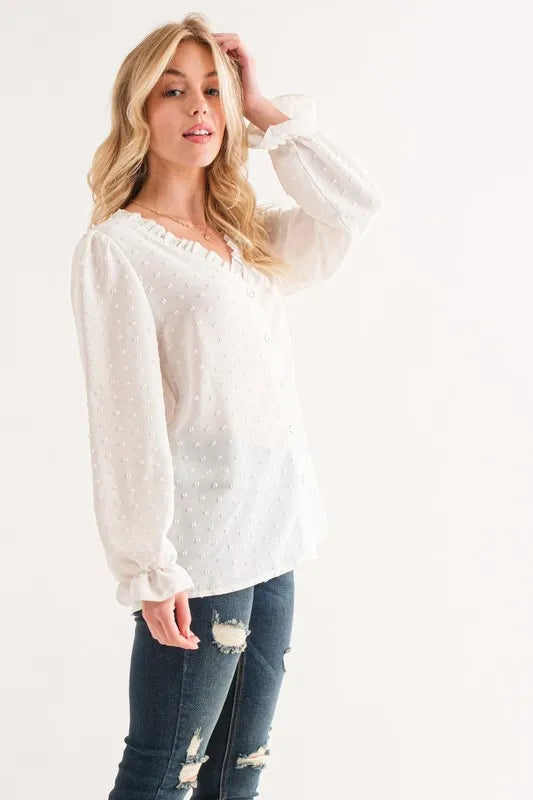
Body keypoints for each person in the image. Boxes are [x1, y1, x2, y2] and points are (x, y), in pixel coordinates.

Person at [70, 12, 383, 799]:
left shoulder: (246, 239)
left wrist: (265, 111)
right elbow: (124, 418)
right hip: (200, 552)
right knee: (162, 770)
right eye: (173, 91)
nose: (198, 108)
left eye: (213, 90)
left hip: (275, 531)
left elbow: (354, 207)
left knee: (238, 771)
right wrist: (148, 564)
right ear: (140, 109)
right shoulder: (120, 249)